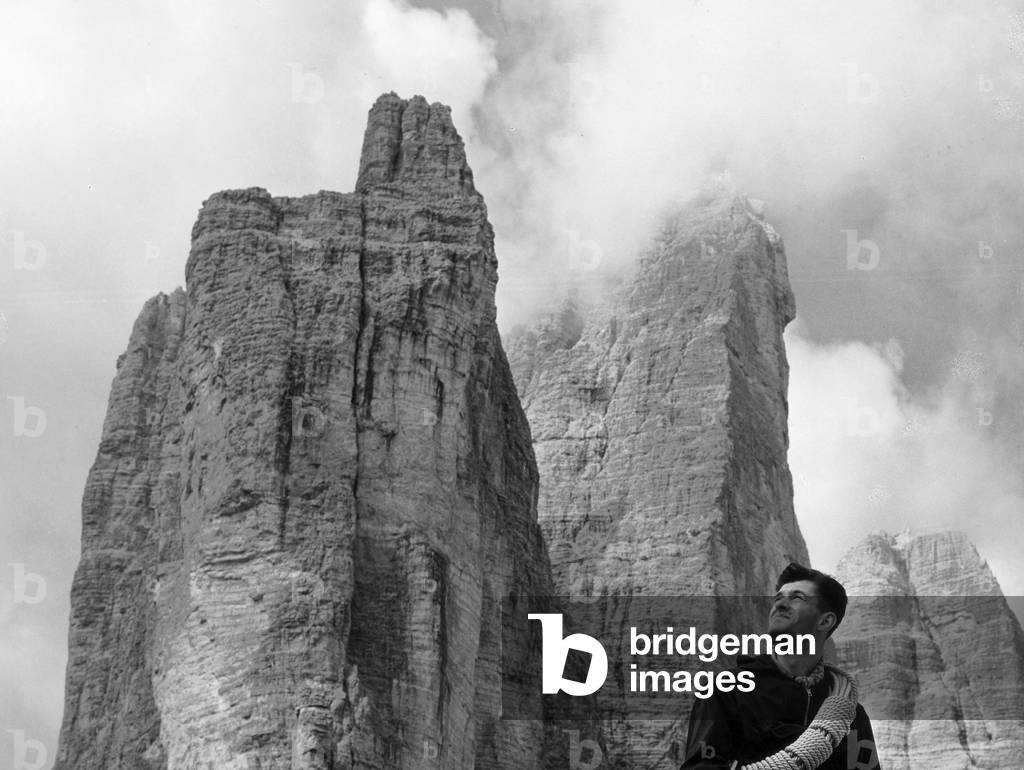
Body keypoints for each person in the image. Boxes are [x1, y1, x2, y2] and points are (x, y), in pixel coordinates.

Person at [681, 563, 881, 769]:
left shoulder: (851, 715)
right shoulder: (727, 689)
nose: (780, 604)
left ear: (825, 621)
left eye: (797, 597)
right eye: (778, 598)